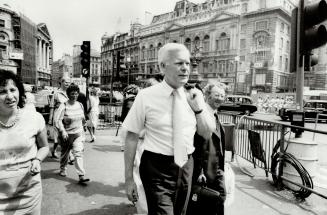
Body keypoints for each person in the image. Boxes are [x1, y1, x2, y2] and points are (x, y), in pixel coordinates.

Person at [123, 43, 215, 215]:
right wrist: (129, 179)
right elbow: (131, 136)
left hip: (187, 166)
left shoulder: (195, 95)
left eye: (188, 63)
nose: (185, 68)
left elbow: (207, 133)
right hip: (157, 169)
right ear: (162, 66)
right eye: (179, 63)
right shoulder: (146, 96)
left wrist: (199, 109)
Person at [0, 70, 49, 214]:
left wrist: (37, 160)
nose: (9, 96)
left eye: (12, 90)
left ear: (19, 91)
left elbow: (44, 147)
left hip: (29, 194)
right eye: (2, 92)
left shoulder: (34, 118)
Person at [187, 83, 226, 215]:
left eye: (222, 95)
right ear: (207, 96)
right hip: (204, 171)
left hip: (216, 169)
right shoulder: (201, 114)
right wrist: (200, 171)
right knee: (207, 204)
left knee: (218, 201)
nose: (220, 98)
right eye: (216, 95)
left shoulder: (214, 114)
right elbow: (197, 144)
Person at [57, 84, 90, 184]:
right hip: (67, 134)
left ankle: (81, 175)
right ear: (68, 95)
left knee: (78, 153)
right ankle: (62, 169)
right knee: (65, 154)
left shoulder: (80, 105)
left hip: (78, 133)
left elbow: (83, 117)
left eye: (76, 93)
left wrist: (84, 125)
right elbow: (58, 120)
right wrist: (62, 131)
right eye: (72, 94)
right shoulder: (64, 105)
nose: (74, 96)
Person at [48, 76, 70, 159]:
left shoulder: (70, 93)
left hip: (67, 117)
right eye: (66, 82)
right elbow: (52, 107)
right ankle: (55, 151)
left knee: (67, 136)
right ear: (62, 82)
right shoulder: (57, 93)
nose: (67, 84)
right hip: (57, 117)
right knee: (58, 137)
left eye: (69, 82)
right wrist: (50, 119)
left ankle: (69, 155)